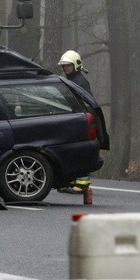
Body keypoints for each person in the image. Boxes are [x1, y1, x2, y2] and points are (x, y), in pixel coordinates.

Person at [58, 50, 93, 193]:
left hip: (80, 120)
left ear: (76, 65)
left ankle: (83, 182)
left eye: (68, 66)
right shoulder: (69, 81)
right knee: (70, 152)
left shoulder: (80, 82)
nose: (66, 68)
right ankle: (71, 180)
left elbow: (86, 102)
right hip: (71, 119)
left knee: (80, 152)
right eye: (64, 66)